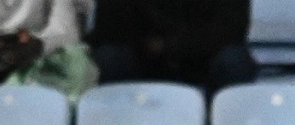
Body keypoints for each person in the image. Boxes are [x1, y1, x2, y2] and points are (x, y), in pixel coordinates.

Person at [88, 0, 256, 97]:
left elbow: (232, 30)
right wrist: (147, 46)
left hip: (204, 58)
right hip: (144, 57)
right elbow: (109, 28)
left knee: (234, 61)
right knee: (110, 58)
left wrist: (171, 46)